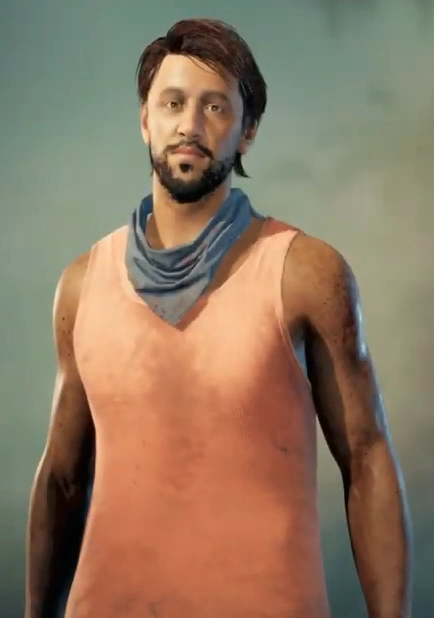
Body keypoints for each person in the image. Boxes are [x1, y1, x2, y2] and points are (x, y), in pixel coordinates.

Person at [24, 18, 412, 618]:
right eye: (172, 103)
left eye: (215, 107)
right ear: (145, 120)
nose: (190, 124)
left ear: (247, 131)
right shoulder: (82, 285)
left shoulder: (306, 273)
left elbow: (366, 459)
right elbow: (62, 479)